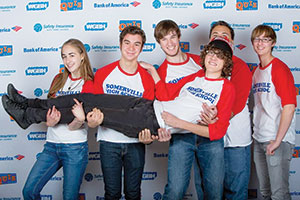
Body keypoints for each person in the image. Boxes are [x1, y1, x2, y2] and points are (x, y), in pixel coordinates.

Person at [3, 37, 235, 200]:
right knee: (84, 96)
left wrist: (179, 124)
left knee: (90, 111)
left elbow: (217, 131)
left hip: (152, 123)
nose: (214, 59)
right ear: (205, 56)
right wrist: (155, 74)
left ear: (226, 63)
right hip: (148, 105)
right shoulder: (195, 78)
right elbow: (166, 95)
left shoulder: (226, 88)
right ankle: (27, 104)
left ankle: (29, 115)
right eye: (211, 54)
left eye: (219, 56)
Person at [19, 39, 94, 200]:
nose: (68, 61)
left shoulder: (88, 84)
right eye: (64, 56)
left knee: (69, 197)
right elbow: (50, 112)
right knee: (29, 191)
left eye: (72, 55)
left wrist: (79, 120)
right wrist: (49, 123)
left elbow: (78, 125)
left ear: (82, 56)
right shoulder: (58, 79)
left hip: (74, 149)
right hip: (51, 146)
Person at [153, 19, 205, 200]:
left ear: (179, 37)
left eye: (172, 37)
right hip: (181, 134)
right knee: (175, 190)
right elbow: (161, 108)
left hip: (206, 132)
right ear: (159, 43)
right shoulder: (160, 74)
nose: (170, 43)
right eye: (164, 39)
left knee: (211, 190)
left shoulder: (200, 62)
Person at [200, 20, 252, 200]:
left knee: (235, 191)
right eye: (215, 35)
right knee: (210, 192)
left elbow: (235, 105)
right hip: (209, 139)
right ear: (208, 42)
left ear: (231, 43)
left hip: (235, 141)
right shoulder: (202, 68)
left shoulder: (241, 67)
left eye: (225, 36)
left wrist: (215, 121)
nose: (220, 39)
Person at [251, 24, 296, 200]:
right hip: (260, 138)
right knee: (265, 192)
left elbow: (290, 106)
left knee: (279, 194)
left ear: (273, 43)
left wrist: (277, 140)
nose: (260, 43)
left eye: (265, 39)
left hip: (277, 140)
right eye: (257, 39)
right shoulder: (256, 71)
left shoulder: (279, 68)